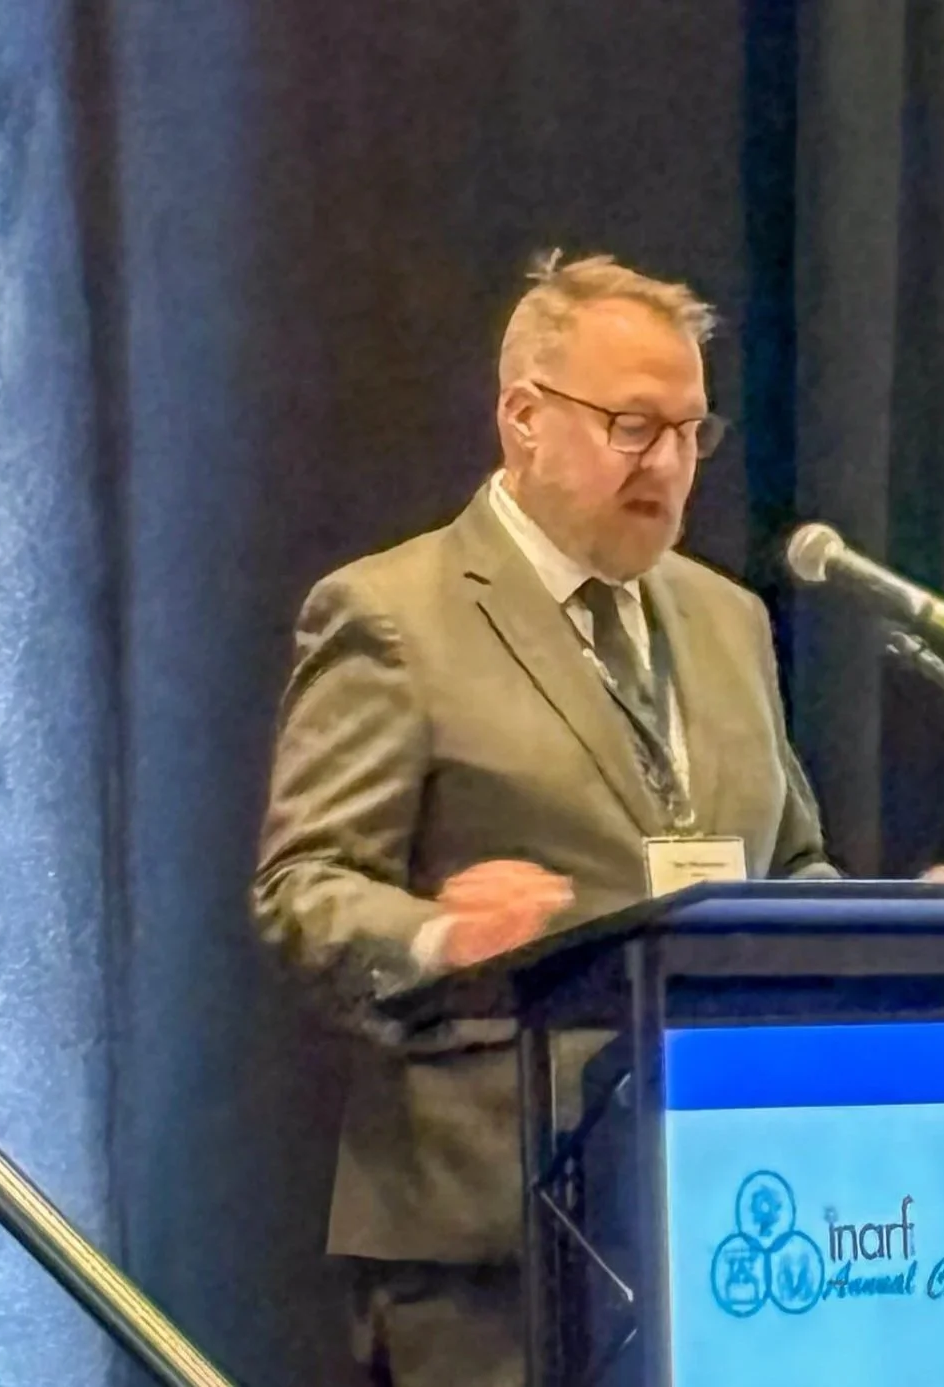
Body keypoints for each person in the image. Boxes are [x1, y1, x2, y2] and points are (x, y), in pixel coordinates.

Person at [250, 252, 843, 1387]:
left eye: (689, 433)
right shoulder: (391, 616)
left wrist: (902, 933)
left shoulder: (727, 619)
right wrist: (439, 939)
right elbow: (306, 884)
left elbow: (793, 860)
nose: (667, 464)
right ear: (523, 418)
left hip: (724, 1212)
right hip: (490, 1245)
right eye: (631, 425)